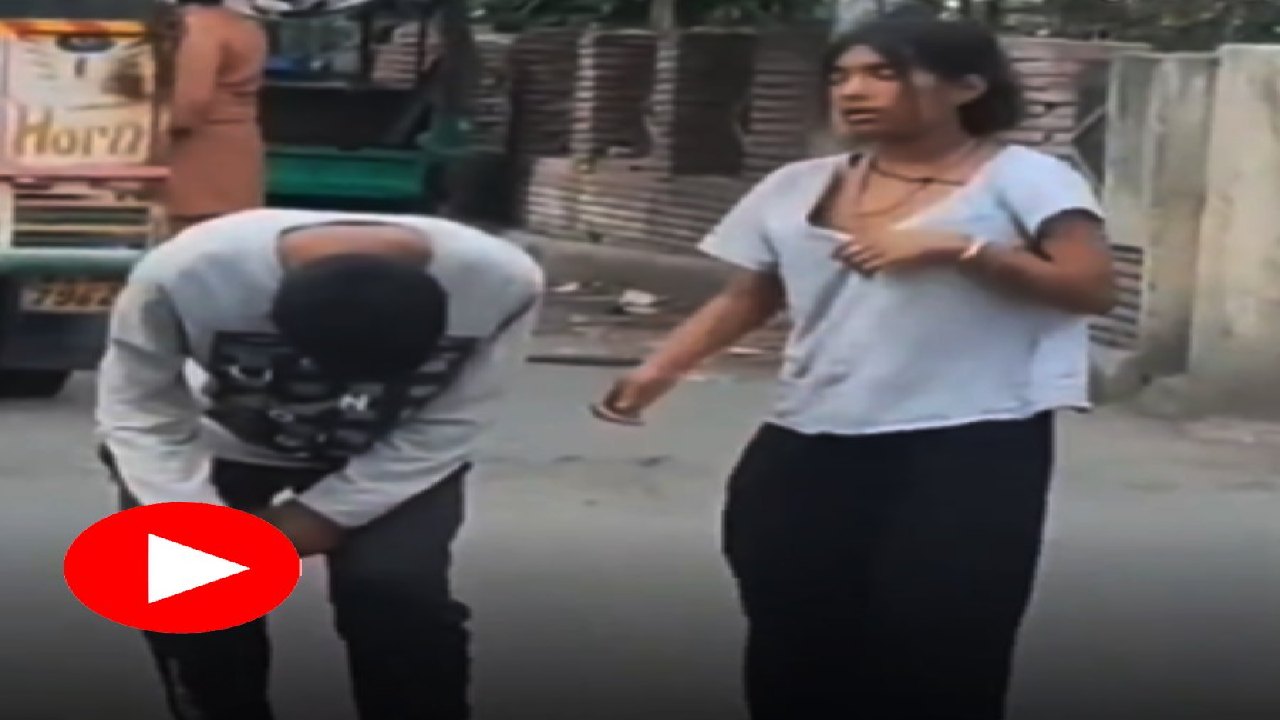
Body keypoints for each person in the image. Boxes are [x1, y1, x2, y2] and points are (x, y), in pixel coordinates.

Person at [593, 16, 1116, 720]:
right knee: (794, 633)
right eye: (841, 76)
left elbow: (1091, 287)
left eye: (883, 74)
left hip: (970, 439)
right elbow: (751, 294)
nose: (854, 91)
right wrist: (657, 372)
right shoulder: (796, 185)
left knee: (941, 646)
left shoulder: (1027, 179)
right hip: (811, 434)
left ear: (967, 87)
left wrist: (961, 250)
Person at [95, 209, 543, 720]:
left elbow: (456, 416)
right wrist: (198, 524)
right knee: (193, 594)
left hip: (395, 448)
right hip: (217, 440)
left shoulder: (503, 284)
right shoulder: (181, 276)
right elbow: (138, 409)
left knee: (395, 590)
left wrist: (321, 517)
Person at [164, 0, 269, 235]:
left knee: (189, 247)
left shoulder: (199, 28)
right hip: (240, 154)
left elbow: (187, 106)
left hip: (199, 161)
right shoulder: (248, 26)